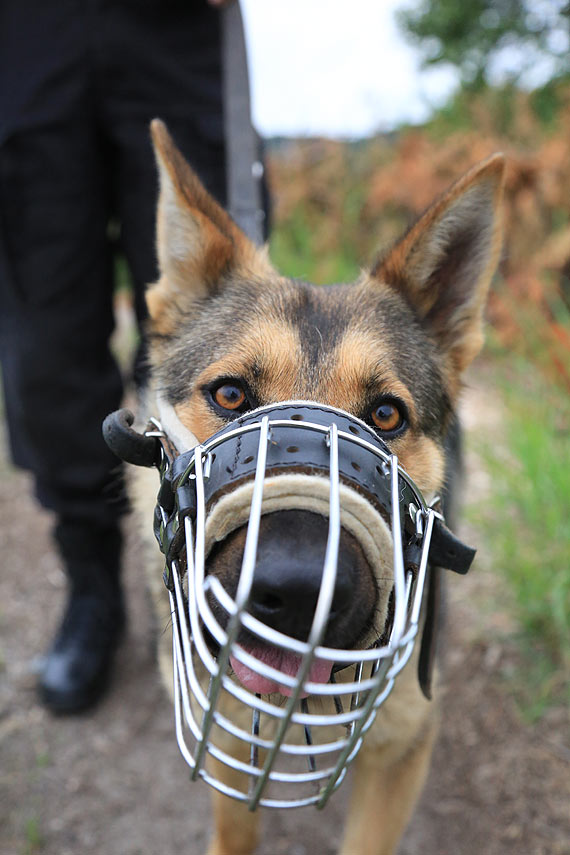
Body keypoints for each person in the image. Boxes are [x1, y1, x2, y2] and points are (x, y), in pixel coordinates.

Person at [0, 0, 259, 714]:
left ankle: (223, 575)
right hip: (25, 31)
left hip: (170, 30)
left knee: (219, 317)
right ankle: (93, 588)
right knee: (43, 333)